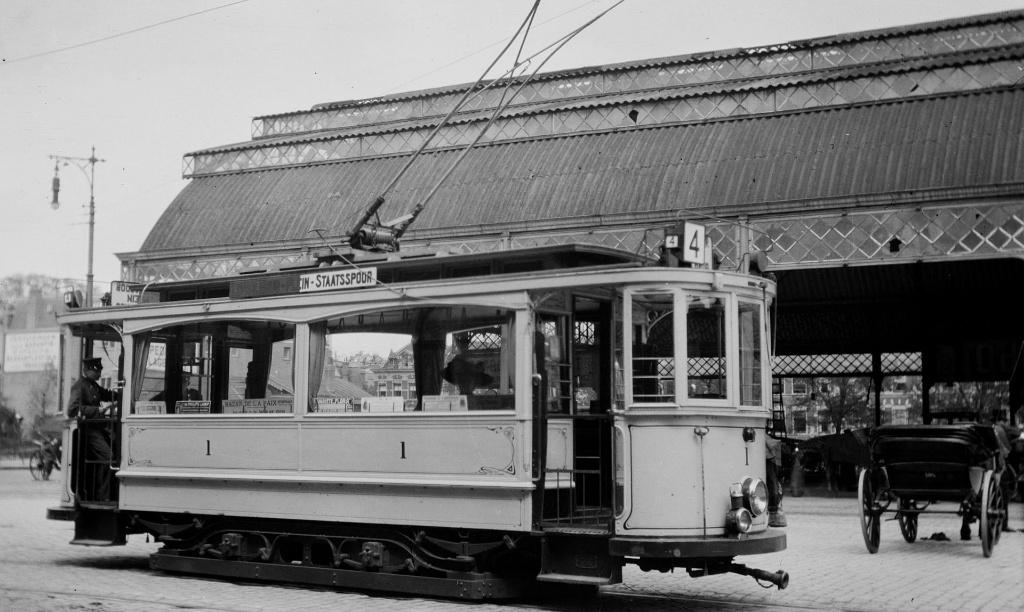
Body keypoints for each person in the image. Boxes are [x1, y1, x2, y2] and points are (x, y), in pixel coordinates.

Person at [68, 357, 116, 500]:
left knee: (115, 452)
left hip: (99, 429)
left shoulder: (93, 385)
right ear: (87, 370)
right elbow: (72, 410)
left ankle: (105, 494)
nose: (100, 373)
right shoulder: (80, 386)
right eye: (97, 371)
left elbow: (107, 394)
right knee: (108, 457)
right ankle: (102, 496)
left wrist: (122, 395)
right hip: (89, 431)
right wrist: (97, 410)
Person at [765, 436, 787, 527]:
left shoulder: (766, 440)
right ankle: (774, 513)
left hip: (769, 459)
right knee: (774, 484)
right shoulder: (774, 445)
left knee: (773, 484)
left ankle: (773, 514)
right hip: (771, 458)